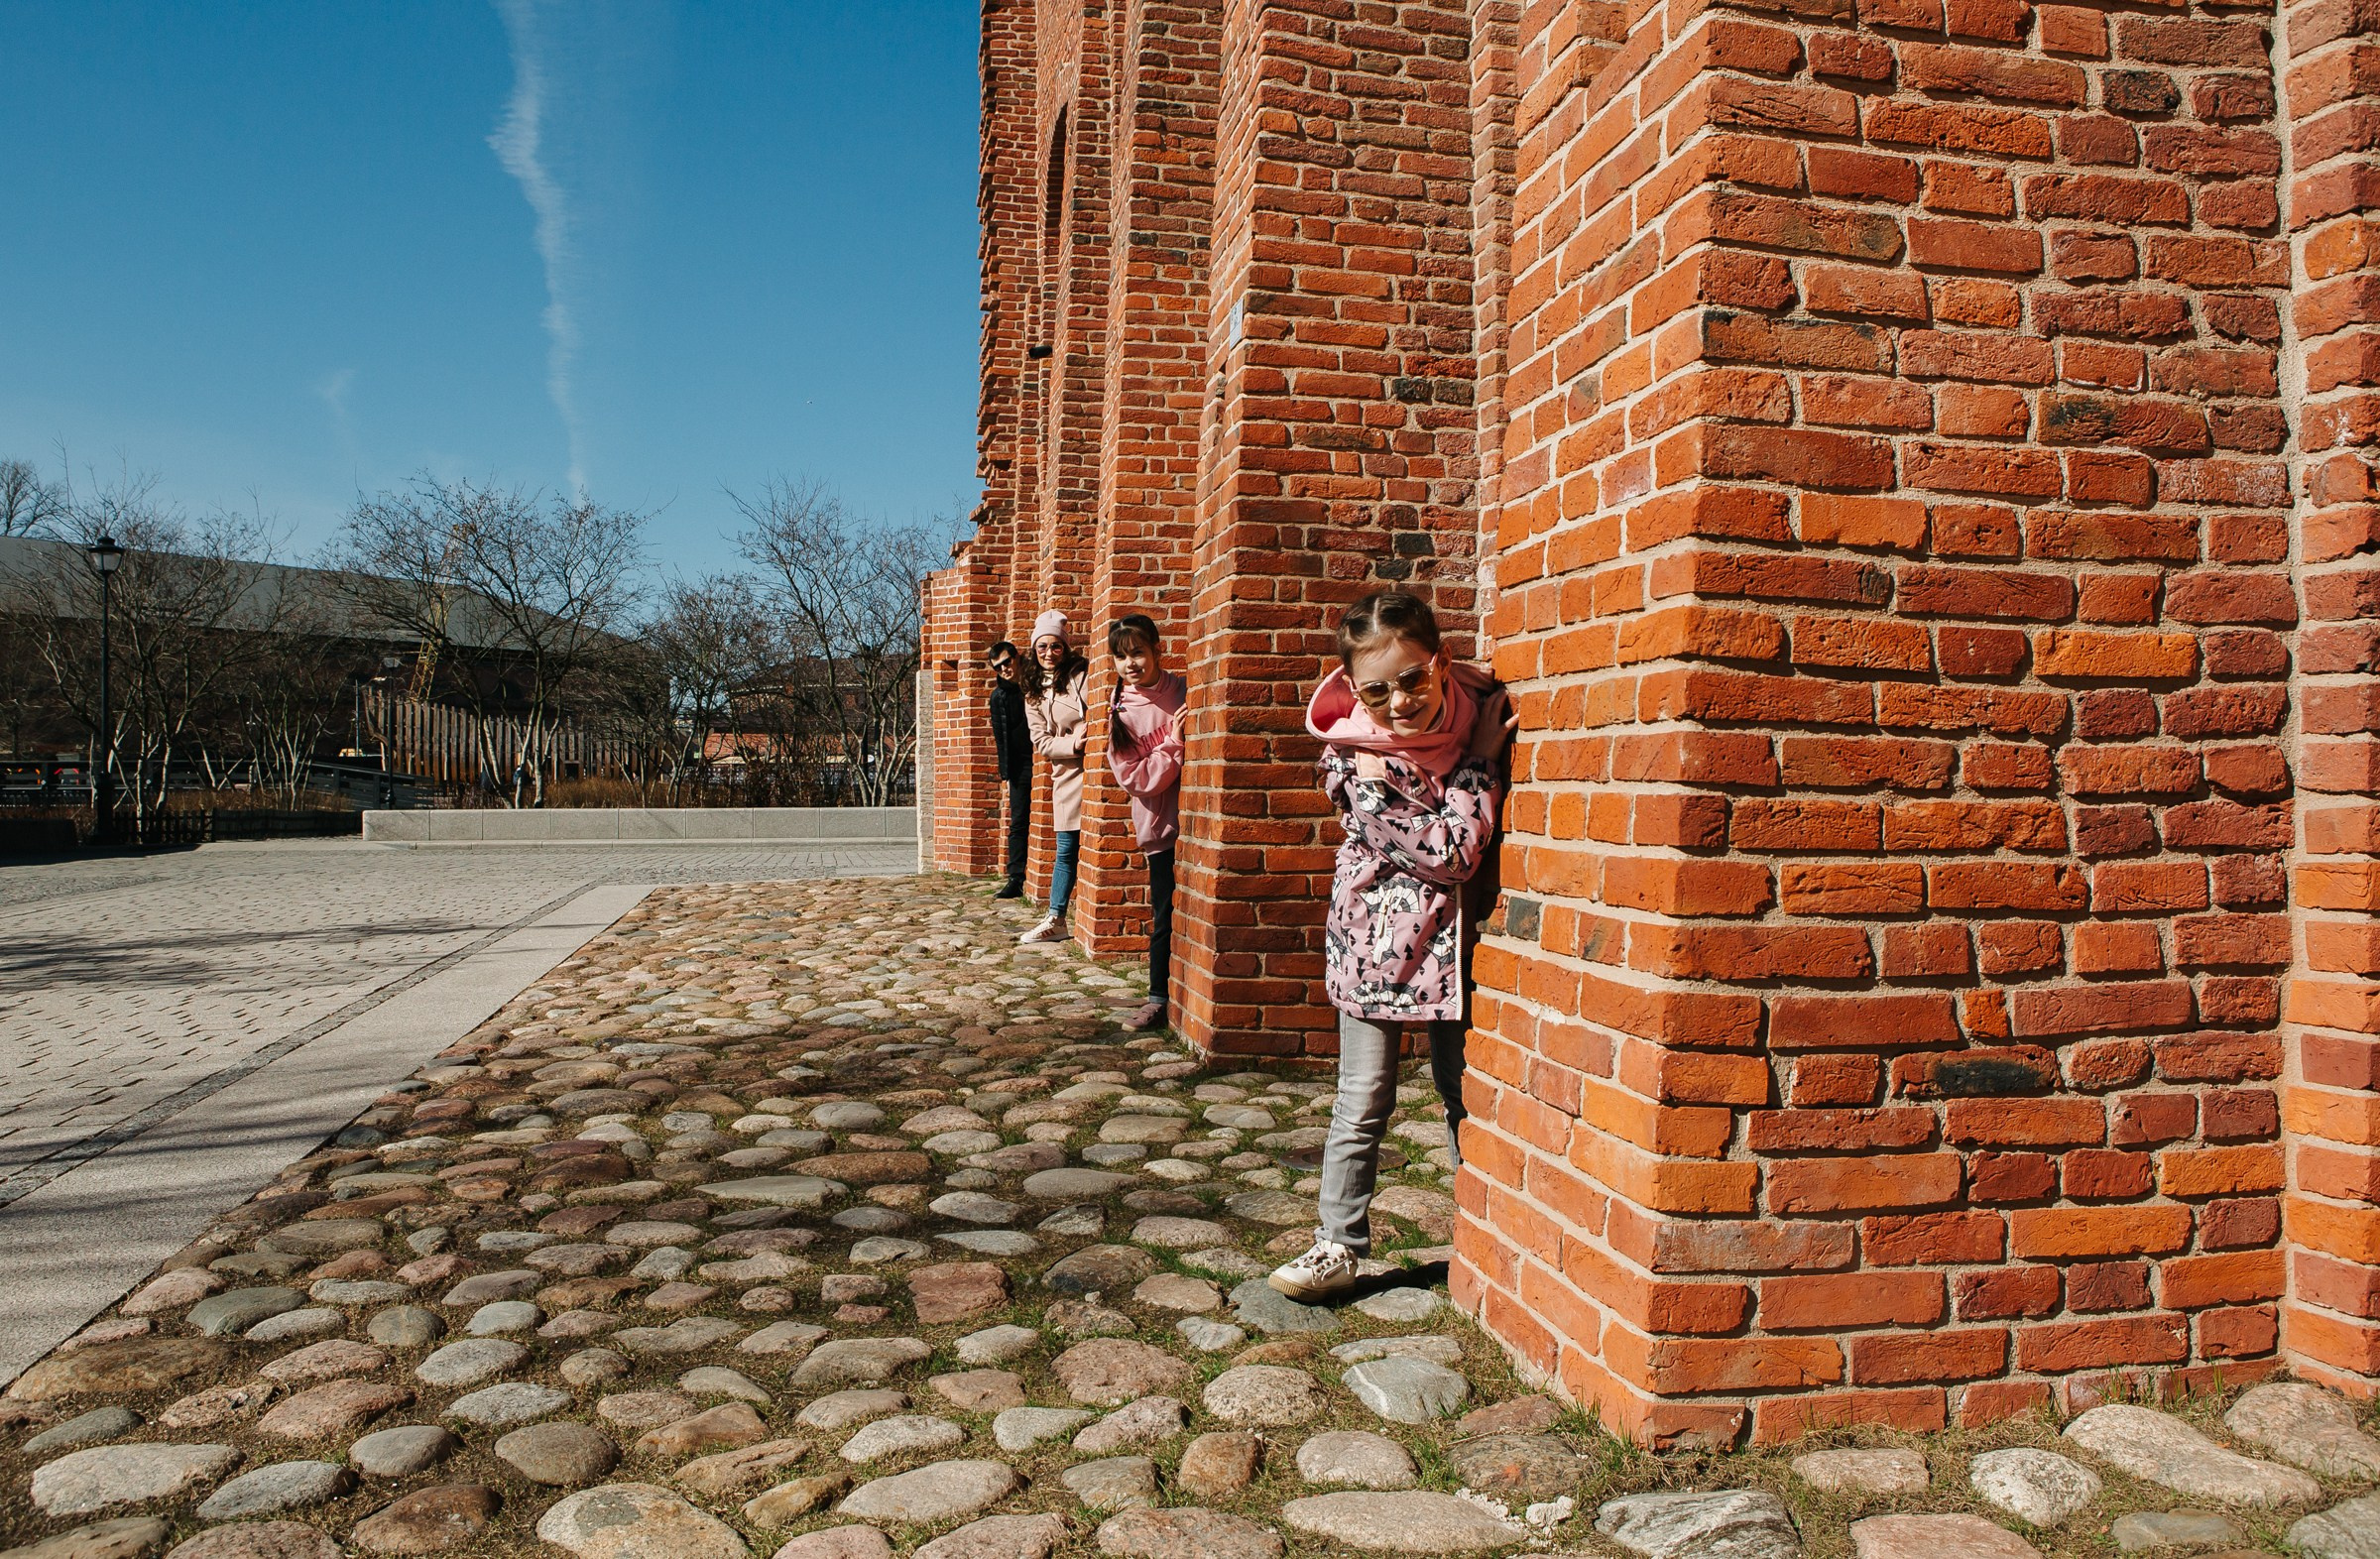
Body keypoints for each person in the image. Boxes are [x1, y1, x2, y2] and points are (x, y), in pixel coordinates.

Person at [1268, 589, 1517, 1302]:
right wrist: (1477, 764)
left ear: (1440, 663)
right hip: (1375, 949)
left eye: (1412, 679)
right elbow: (1450, 853)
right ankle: (1336, 1244)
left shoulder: (1472, 707)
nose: (1400, 702)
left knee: (1460, 1090)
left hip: (1455, 954)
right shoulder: (1356, 765)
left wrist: (1473, 745)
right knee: (1364, 1097)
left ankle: (1485, 1227)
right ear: (1352, 689)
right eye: (1377, 690)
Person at [1106, 613, 1185, 1030]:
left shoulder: (1184, 691)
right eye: (1121, 657)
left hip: (1196, 819)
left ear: (1158, 649)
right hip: (1160, 828)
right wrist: (1174, 742)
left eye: (1137, 652)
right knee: (1165, 915)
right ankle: (1157, 998)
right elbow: (1135, 779)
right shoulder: (1122, 715)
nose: (1130, 664)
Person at [1018, 609, 1090, 945]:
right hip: (1066, 774)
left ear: (1065, 647)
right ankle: (1056, 917)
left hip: (1099, 770)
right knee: (1066, 849)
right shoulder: (1032, 691)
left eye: (1056, 646)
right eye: (1042, 647)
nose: (1049, 653)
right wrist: (1075, 742)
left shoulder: (1083, 675)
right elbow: (1042, 742)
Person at [986, 641, 1031, 899]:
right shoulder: (999, 696)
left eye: (1006, 662)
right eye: (998, 667)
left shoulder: (1035, 683)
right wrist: (1006, 772)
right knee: (1018, 822)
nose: (1004, 669)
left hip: (1044, 757)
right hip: (1019, 765)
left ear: (1016, 657)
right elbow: (999, 736)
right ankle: (1016, 877)